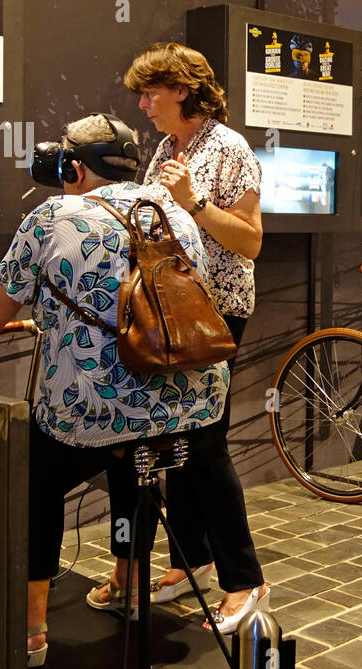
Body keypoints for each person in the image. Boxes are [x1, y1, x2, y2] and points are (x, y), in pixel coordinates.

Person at [0, 113, 230, 666]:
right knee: (132, 463)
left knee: (35, 483)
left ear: (72, 167)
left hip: (88, 410)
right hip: (185, 402)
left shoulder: (53, 215)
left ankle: (29, 632)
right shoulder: (173, 210)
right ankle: (129, 587)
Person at [95, 40, 268, 630]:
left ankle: (245, 580)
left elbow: (250, 242)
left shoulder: (230, 150)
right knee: (180, 437)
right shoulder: (165, 151)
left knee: (207, 441)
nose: (142, 103)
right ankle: (189, 561)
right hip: (169, 310)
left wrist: (193, 204)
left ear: (184, 90)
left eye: (151, 92)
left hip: (216, 314)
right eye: (141, 93)